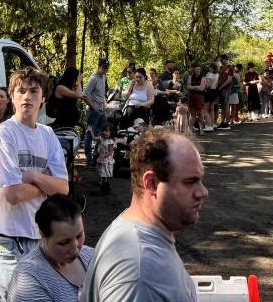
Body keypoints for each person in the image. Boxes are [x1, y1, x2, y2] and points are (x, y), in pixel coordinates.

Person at [81, 128, 207, 302]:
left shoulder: (138, 236)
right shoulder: (140, 273)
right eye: (190, 182)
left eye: (200, 180)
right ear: (152, 183)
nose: (203, 192)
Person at [0, 66, 69, 302]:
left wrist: (32, 176)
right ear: (12, 97)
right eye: (21, 91)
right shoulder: (3, 135)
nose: (27, 97)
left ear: (43, 98)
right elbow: (12, 194)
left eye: (33, 91)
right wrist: (46, 181)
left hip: (39, 237)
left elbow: (63, 188)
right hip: (6, 240)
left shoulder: (48, 135)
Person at [7, 194, 95, 302]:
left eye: (79, 236)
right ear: (43, 235)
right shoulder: (30, 278)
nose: (75, 250)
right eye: (64, 242)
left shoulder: (92, 256)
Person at [83, 59, 110, 168]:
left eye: (106, 68)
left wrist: (104, 106)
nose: (105, 70)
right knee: (90, 135)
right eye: (103, 67)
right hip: (93, 112)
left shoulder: (103, 77)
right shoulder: (93, 78)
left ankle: (97, 157)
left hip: (102, 110)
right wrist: (93, 108)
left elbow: (101, 95)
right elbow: (84, 95)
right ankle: (89, 160)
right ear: (99, 66)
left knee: (103, 134)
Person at [185, 64, 206, 132]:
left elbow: (201, 88)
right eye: (196, 69)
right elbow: (188, 87)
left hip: (200, 97)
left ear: (200, 70)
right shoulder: (190, 77)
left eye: (199, 69)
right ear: (194, 70)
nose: (197, 70)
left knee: (200, 114)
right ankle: (190, 130)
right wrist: (196, 87)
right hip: (191, 97)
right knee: (192, 114)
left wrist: (193, 87)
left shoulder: (203, 78)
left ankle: (202, 129)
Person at [216, 54, 234, 129]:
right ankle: (222, 122)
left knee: (226, 105)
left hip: (226, 89)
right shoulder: (220, 68)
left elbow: (229, 80)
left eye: (223, 59)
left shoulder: (230, 68)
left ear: (226, 59)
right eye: (221, 59)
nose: (222, 60)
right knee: (222, 106)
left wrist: (221, 87)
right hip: (220, 89)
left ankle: (227, 122)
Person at [96, 126, 116, 194]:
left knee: (104, 175)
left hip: (106, 160)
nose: (105, 132)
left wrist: (104, 155)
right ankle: (106, 188)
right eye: (104, 131)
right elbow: (94, 138)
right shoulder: (102, 139)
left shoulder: (110, 141)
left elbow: (110, 152)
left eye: (107, 131)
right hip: (102, 159)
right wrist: (90, 131)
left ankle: (104, 189)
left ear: (111, 133)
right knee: (102, 174)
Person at [203, 63, 219, 132]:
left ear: (212, 68)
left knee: (205, 109)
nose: (209, 69)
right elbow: (217, 84)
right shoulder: (217, 74)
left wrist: (204, 88)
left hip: (209, 91)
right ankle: (212, 124)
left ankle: (209, 125)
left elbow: (208, 85)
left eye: (210, 68)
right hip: (214, 91)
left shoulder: (209, 74)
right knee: (212, 109)